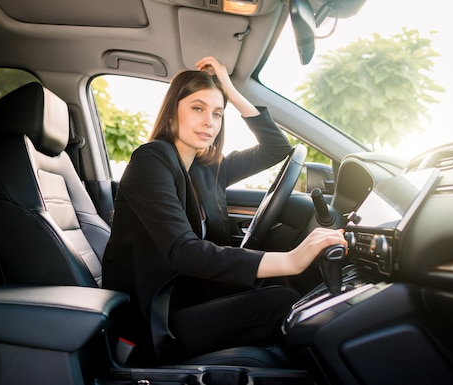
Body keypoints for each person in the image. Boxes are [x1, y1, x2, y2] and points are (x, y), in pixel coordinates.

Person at [102, 56, 347, 364]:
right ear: (171, 113)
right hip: (154, 314)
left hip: (187, 290)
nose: (209, 122)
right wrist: (291, 259)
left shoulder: (208, 169)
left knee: (275, 283)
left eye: (217, 114)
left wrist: (228, 88)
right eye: (197, 108)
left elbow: (277, 148)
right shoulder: (151, 160)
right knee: (280, 300)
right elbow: (185, 252)